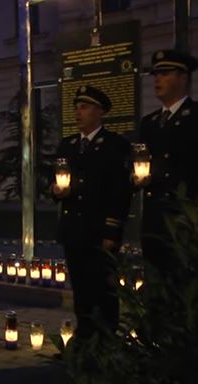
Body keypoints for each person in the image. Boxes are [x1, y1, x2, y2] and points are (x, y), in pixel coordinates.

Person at [52, 85, 131, 339]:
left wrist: (112, 229)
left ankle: (106, 339)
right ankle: (85, 337)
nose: (78, 112)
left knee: (104, 290)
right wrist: (56, 190)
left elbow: (119, 192)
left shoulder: (114, 145)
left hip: (99, 231)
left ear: (99, 112)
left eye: (84, 107)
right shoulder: (69, 145)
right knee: (82, 289)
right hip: (74, 230)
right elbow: (54, 181)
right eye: (76, 107)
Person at [135, 49, 198, 273]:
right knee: (157, 287)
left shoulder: (194, 116)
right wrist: (137, 178)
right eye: (155, 74)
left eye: (165, 74)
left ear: (183, 77)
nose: (157, 79)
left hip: (184, 218)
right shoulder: (150, 122)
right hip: (155, 219)